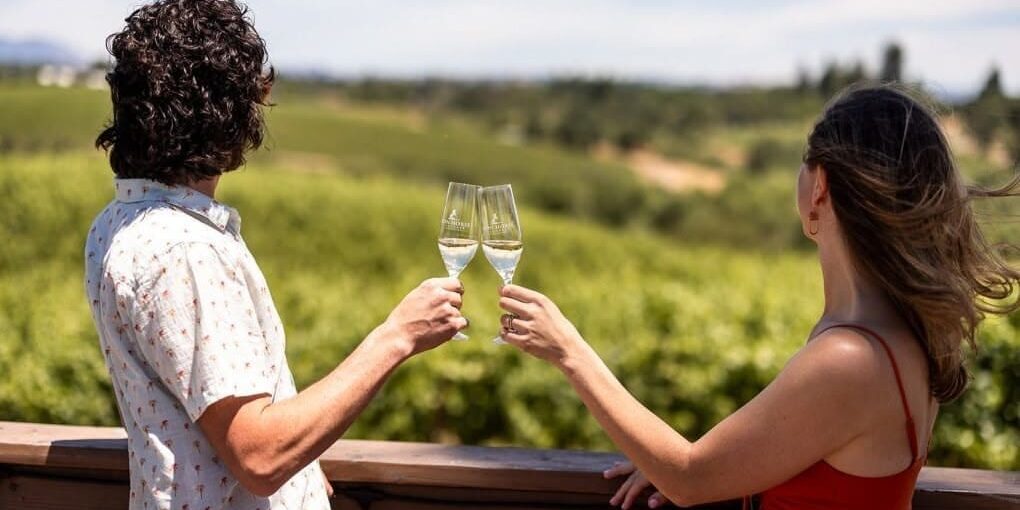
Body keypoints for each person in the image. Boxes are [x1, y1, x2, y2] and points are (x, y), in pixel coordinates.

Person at [496, 85, 1019, 509]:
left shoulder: (852, 358)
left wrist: (568, 350)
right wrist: (665, 456)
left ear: (821, 187)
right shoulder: (899, 331)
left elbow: (688, 478)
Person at [84, 1, 467, 509]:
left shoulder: (116, 224)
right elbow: (259, 456)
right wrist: (397, 337)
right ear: (228, 111)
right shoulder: (188, 250)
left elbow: (212, 424)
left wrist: (301, 465)